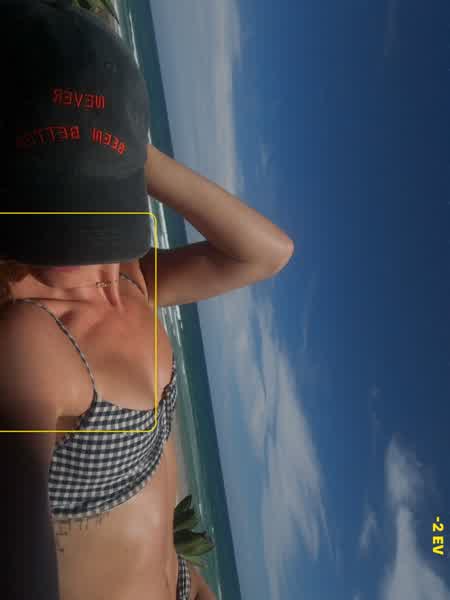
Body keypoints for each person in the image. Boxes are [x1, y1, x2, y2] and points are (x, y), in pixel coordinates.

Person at [0, 1, 294, 599]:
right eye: (60, 195)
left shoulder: (128, 280)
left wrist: (128, 143)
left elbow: (266, 253)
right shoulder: (30, 340)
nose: (86, 250)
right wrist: (111, 148)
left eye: (96, 199)